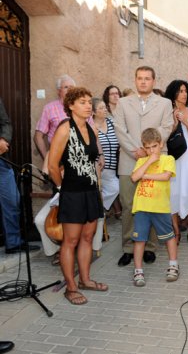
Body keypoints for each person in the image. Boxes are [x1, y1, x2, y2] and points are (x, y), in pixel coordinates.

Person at [48, 87, 107, 305]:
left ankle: (85, 280)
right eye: (82, 102)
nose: (88, 105)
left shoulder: (90, 128)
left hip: (91, 191)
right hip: (72, 193)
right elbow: (53, 165)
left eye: (89, 101)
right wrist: (61, 188)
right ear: (71, 105)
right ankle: (70, 288)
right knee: (70, 241)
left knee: (87, 238)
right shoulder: (65, 128)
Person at [114, 66, 174, 267]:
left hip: (155, 160)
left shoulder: (165, 103)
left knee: (152, 204)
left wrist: (150, 150)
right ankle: (128, 248)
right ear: (135, 80)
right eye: (139, 78)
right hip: (130, 160)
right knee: (129, 205)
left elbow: (166, 127)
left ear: (154, 81)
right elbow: (119, 129)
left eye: (147, 78)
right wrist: (134, 149)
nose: (143, 82)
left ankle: (149, 247)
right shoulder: (122, 103)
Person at [130, 128, 178, 286]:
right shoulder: (141, 161)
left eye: (154, 146)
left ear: (161, 144)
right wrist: (149, 161)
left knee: (168, 237)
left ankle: (173, 265)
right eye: (148, 147)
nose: (152, 150)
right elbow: (134, 177)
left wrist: (146, 175)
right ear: (144, 148)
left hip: (160, 207)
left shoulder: (168, 159)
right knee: (139, 240)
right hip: (142, 207)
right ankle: (138, 270)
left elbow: (165, 176)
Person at [164, 79, 188, 246]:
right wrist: (174, 122)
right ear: (173, 93)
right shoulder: (167, 111)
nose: (184, 94)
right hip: (174, 156)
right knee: (173, 193)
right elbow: (165, 135)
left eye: (185, 90)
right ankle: (177, 231)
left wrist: (185, 121)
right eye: (180, 91)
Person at [0, 98, 39, 254]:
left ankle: (13, 243)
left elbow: (5, 123)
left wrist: (3, 139)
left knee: (12, 200)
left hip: (1, 162)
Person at [34, 75, 76, 160]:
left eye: (72, 87)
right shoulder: (49, 108)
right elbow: (38, 136)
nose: (69, 89)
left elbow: (93, 132)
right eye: (66, 87)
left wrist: (100, 154)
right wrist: (47, 159)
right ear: (59, 91)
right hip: (58, 157)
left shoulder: (82, 107)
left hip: (80, 157)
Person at [92, 98, 121, 218]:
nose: (105, 110)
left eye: (105, 107)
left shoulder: (111, 122)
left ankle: (93, 207)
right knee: (95, 190)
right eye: (101, 108)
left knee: (115, 188)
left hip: (111, 168)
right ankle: (94, 210)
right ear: (93, 112)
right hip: (97, 166)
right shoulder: (90, 126)